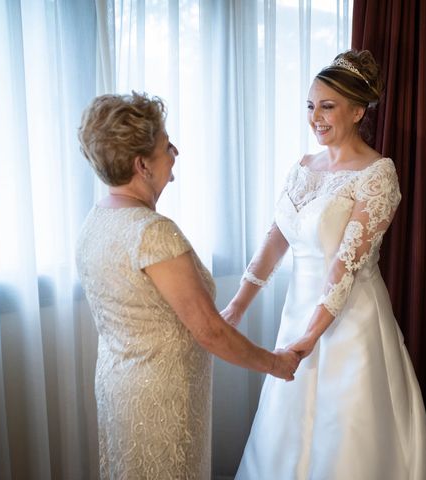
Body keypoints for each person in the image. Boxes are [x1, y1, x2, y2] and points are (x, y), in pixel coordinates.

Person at [224, 51, 426, 479]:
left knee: (346, 425)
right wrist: (237, 306)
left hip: (352, 320)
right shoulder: (303, 168)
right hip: (297, 312)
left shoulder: (377, 173)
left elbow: (345, 267)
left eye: (327, 106)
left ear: (357, 111)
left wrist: (310, 338)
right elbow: (275, 240)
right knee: (285, 428)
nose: (315, 117)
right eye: (310, 106)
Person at [75, 92, 300, 480]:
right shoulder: (153, 232)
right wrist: (275, 363)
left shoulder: (96, 219)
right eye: (166, 145)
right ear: (141, 164)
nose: (174, 151)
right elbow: (209, 331)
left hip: (118, 383)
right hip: (159, 397)